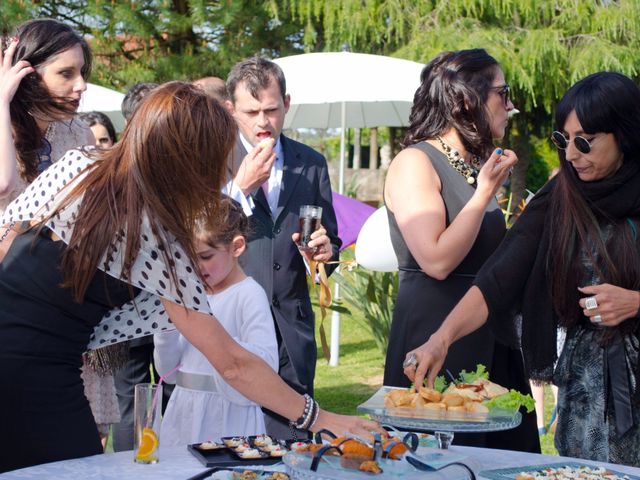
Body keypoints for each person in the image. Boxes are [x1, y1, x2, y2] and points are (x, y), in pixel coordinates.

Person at [0, 82, 379, 473]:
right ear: (191, 161)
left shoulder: (80, 164)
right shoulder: (158, 237)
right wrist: (319, 419)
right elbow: (232, 363)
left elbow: (6, 237)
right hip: (38, 379)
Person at [405, 71, 640, 466]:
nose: (570, 155)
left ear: (626, 134)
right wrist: (441, 338)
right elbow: (499, 277)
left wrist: (636, 302)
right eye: (562, 141)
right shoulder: (563, 191)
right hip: (588, 390)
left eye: (585, 141)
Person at [382, 49, 539, 452]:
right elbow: (436, 260)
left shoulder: (474, 165)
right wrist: (485, 191)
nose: (511, 106)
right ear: (467, 100)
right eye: (502, 94)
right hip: (435, 340)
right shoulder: (415, 162)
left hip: (490, 335)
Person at [224, 57, 341, 439]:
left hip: (292, 328)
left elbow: (332, 242)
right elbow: (197, 239)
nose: (263, 121)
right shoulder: (211, 159)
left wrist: (326, 253)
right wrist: (239, 190)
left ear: (286, 104)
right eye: (252, 111)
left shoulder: (311, 163)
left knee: (292, 445)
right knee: (235, 445)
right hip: (231, 328)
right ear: (230, 109)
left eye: (272, 110)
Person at [154, 198, 278, 445]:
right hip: (184, 413)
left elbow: (268, 365)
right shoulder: (188, 297)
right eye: (188, 258)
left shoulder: (249, 294)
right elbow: (167, 374)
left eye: (205, 256)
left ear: (237, 247)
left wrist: (215, 340)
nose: (195, 267)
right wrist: (165, 331)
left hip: (230, 415)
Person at [110, 80, 164, 452]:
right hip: (138, 302)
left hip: (135, 304)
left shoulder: (108, 168)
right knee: (138, 400)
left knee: (155, 395)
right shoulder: (168, 171)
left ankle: (146, 464)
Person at [0, 19, 94, 216]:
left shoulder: (81, 134)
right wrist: (2, 100)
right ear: (26, 76)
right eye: (66, 73)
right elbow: (4, 184)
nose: (82, 85)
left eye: (81, 72)